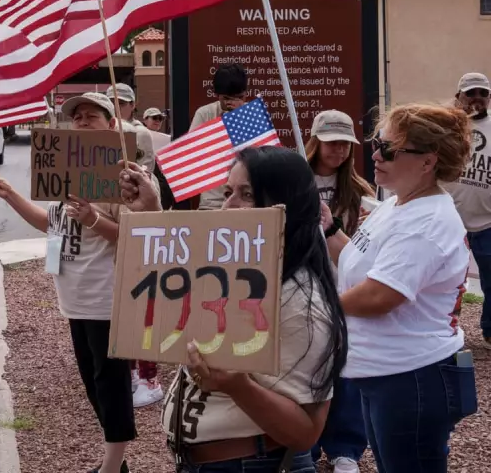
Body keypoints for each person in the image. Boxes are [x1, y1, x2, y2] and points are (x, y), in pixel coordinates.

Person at [120, 146, 348, 473]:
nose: (229, 206)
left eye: (247, 194)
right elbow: (181, 272)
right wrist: (150, 211)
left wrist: (237, 386)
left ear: (287, 205)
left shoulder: (300, 303)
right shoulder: (242, 272)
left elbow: (305, 433)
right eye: (228, 192)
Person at [322, 103, 477, 473]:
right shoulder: (397, 205)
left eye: (389, 149)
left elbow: (380, 296)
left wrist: (318, 308)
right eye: (377, 142)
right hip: (388, 374)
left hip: (412, 379)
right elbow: (365, 263)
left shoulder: (425, 221)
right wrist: (329, 230)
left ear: (428, 161)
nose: (375, 153)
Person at [0, 92, 135, 473]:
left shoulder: (123, 175)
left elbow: (135, 235)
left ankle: (112, 467)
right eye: (77, 116)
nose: (83, 122)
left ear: (111, 123)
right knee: (91, 382)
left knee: (110, 383)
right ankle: (116, 464)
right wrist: (10, 196)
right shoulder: (65, 171)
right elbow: (49, 224)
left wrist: (92, 219)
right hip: (73, 295)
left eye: (92, 115)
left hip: (107, 295)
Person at [305, 110, 373, 473]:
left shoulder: (360, 191)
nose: (340, 149)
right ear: (315, 141)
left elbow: (364, 245)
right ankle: (306, 445)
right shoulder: (294, 181)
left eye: (346, 142)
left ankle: (345, 447)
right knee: (308, 367)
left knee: (347, 367)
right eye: (332, 141)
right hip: (300, 285)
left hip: (343, 286)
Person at [105, 82, 164, 408]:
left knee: (146, 313)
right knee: (125, 311)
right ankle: (131, 370)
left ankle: (149, 377)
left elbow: (146, 175)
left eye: (122, 102)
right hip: (121, 248)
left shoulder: (138, 135)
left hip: (145, 240)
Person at [445, 72, 491, 348]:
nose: (476, 99)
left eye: (481, 94)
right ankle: (444, 334)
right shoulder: (445, 128)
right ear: (458, 97)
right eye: (469, 93)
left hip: (487, 221)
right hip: (450, 220)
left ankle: (489, 331)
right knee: (445, 281)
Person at [190, 63, 249, 210]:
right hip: (212, 202)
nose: (233, 103)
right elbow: (193, 152)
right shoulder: (205, 114)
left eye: (239, 97)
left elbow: (262, 157)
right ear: (217, 95)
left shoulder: (253, 117)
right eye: (227, 98)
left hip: (246, 202)